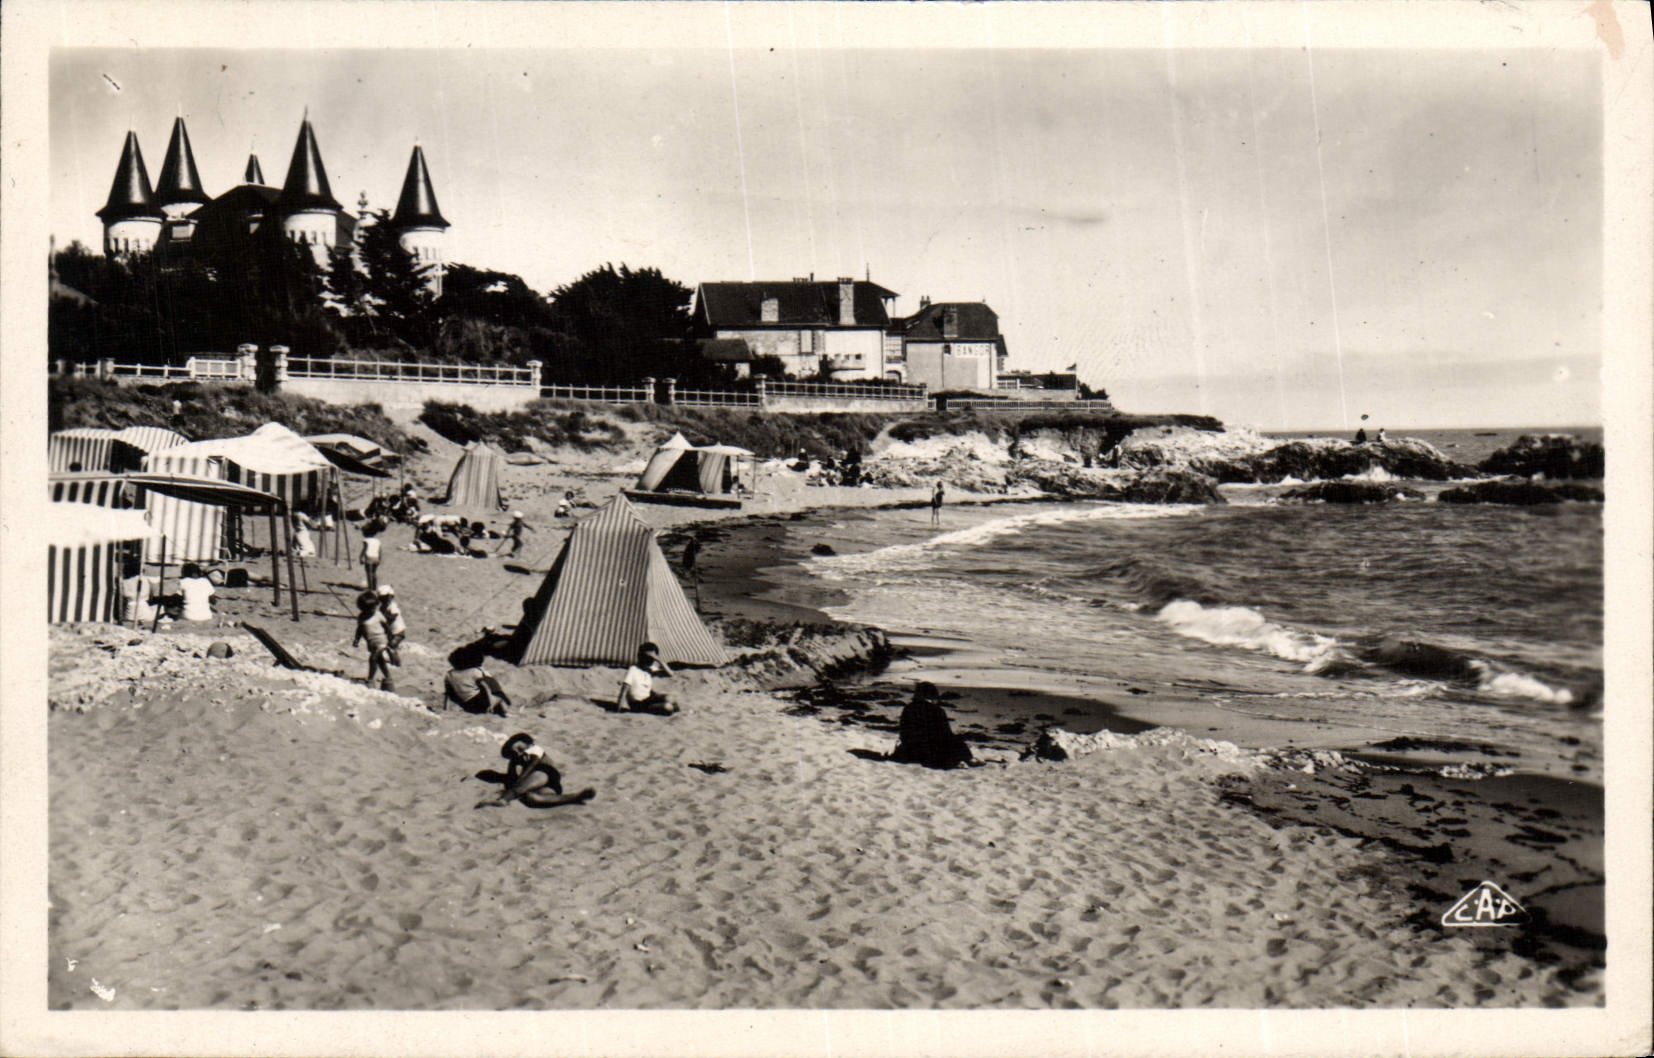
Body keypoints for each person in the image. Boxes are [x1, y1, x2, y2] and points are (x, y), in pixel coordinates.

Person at [475, 732, 595, 810]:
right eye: (514, 753)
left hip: (545, 771)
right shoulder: (516, 759)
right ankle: (573, 798)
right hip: (548, 783)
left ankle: (504, 800)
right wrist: (513, 765)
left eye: (519, 748)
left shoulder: (534, 749)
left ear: (528, 744)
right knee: (532, 798)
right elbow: (511, 777)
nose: (518, 753)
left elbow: (531, 766)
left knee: (521, 787)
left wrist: (518, 781)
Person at [890, 681, 974, 769]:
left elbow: (903, 733)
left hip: (910, 749)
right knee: (957, 742)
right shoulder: (938, 710)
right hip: (932, 752)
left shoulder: (908, 708)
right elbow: (946, 734)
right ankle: (969, 759)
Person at [445, 648, 510, 715]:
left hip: (466, 704)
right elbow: (489, 686)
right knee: (489, 683)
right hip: (480, 702)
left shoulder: (449, 674)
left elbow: (449, 693)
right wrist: (497, 698)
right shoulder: (475, 671)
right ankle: (502, 709)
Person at [352, 591, 396, 691]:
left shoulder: (378, 615)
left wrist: (390, 637)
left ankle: (370, 679)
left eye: (374, 608)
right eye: (369, 609)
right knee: (380, 661)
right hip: (371, 643)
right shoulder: (361, 617)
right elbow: (360, 629)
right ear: (363, 609)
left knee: (373, 659)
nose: (372, 610)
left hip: (381, 641)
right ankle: (388, 679)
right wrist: (356, 639)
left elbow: (386, 626)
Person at [617, 642, 678, 714]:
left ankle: (674, 709)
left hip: (648, 699)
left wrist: (658, 659)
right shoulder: (633, 669)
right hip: (638, 704)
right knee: (667, 707)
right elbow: (624, 690)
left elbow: (670, 674)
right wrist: (618, 709)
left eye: (651, 658)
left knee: (670, 698)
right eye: (646, 657)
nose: (649, 660)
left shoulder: (650, 669)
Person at [119, 557, 158, 626]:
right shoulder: (145, 579)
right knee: (159, 608)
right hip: (144, 610)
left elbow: (124, 595)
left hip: (130, 613)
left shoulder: (123, 582)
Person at [377, 585, 406, 665]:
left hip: (398, 631)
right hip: (391, 632)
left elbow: (394, 615)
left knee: (391, 646)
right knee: (390, 647)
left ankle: (396, 663)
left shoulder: (392, 606)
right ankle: (394, 661)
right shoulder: (382, 608)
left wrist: (384, 619)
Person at [360, 523, 383, 590]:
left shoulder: (366, 540)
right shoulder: (377, 541)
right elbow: (380, 551)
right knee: (374, 573)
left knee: (369, 573)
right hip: (376, 558)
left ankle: (370, 587)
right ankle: (374, 586)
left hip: (369, 558)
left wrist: (361, 557)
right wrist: (380, 559)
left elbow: (365, 549)